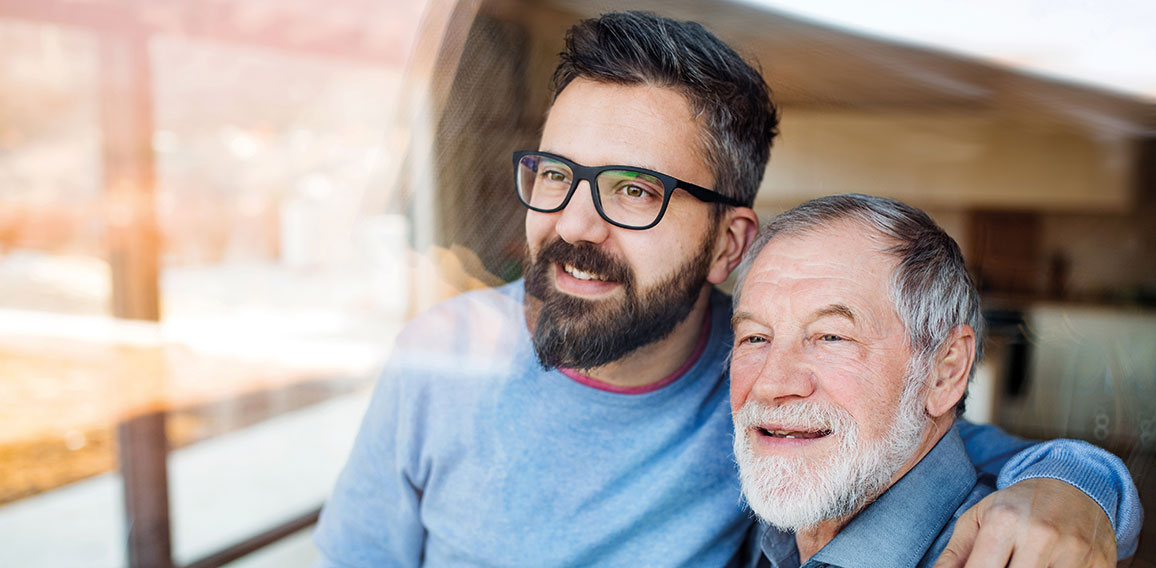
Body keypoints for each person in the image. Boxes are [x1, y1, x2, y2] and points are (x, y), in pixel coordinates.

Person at [313, 11, 1141, 567]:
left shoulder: (759, 385)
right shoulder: (440, 359)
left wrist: (1074, 490)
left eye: (633, 191)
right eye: (557, 175)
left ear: (728, 243)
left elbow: (972, 454)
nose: (574, 225)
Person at [729, 194, 1131, 568]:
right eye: (756, 338)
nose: (770, 383)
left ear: (944, 371)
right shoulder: (777, 524)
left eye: (832, 336)